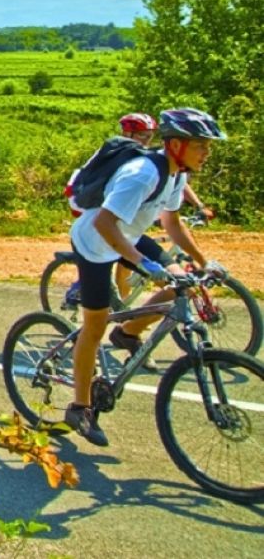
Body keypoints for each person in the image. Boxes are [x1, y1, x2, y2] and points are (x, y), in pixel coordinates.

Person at [65, 107, 226, 448]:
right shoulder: (142, 174)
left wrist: (201, 261)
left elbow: (172, 223)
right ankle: (80, 406)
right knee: (94, 326)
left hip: (130, 236)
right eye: (201, 145)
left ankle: (127, 333)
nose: (207, 153)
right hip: (95, 244)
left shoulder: (176, 174)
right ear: (177, 145)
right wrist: (143, 263)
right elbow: (103, 223)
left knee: (181, 281)